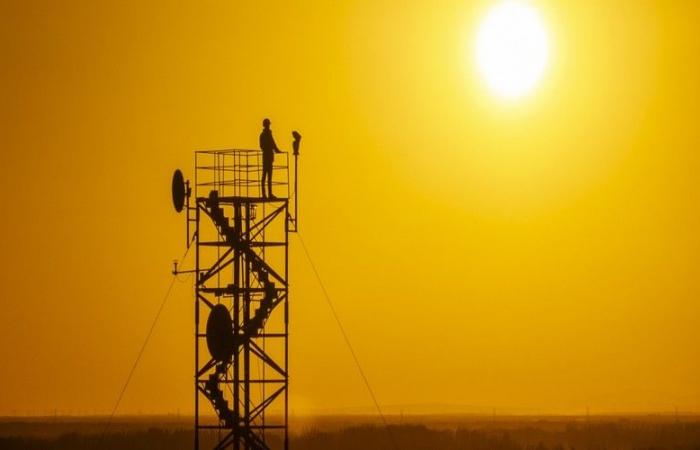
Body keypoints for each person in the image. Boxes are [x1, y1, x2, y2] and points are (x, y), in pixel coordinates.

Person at [259, 118, 282, 198]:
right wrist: (270, 148)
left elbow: (273, 144)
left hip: (269, 158)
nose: (269, 126)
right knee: (264, 176)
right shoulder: (263, 135)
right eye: (268, 124)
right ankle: (264, 194)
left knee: (269, 177)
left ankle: (269, 194)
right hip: (266, 157)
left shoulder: (269, 134)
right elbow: (262, 146)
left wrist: (277, 150)